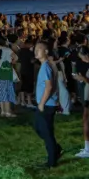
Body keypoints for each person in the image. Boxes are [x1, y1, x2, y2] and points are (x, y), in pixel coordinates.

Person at [32, 40, 61, 168]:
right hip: (48, 103)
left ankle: (52, 161)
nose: (36, 51)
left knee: (46, 132)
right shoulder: (48, 65)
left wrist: (42, 103)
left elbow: (49, 87)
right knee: (40, 128)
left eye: (39, 49)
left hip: (46, 104)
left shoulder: (45, 67)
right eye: (35, 49)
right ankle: (55, 149)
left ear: (46, 51)